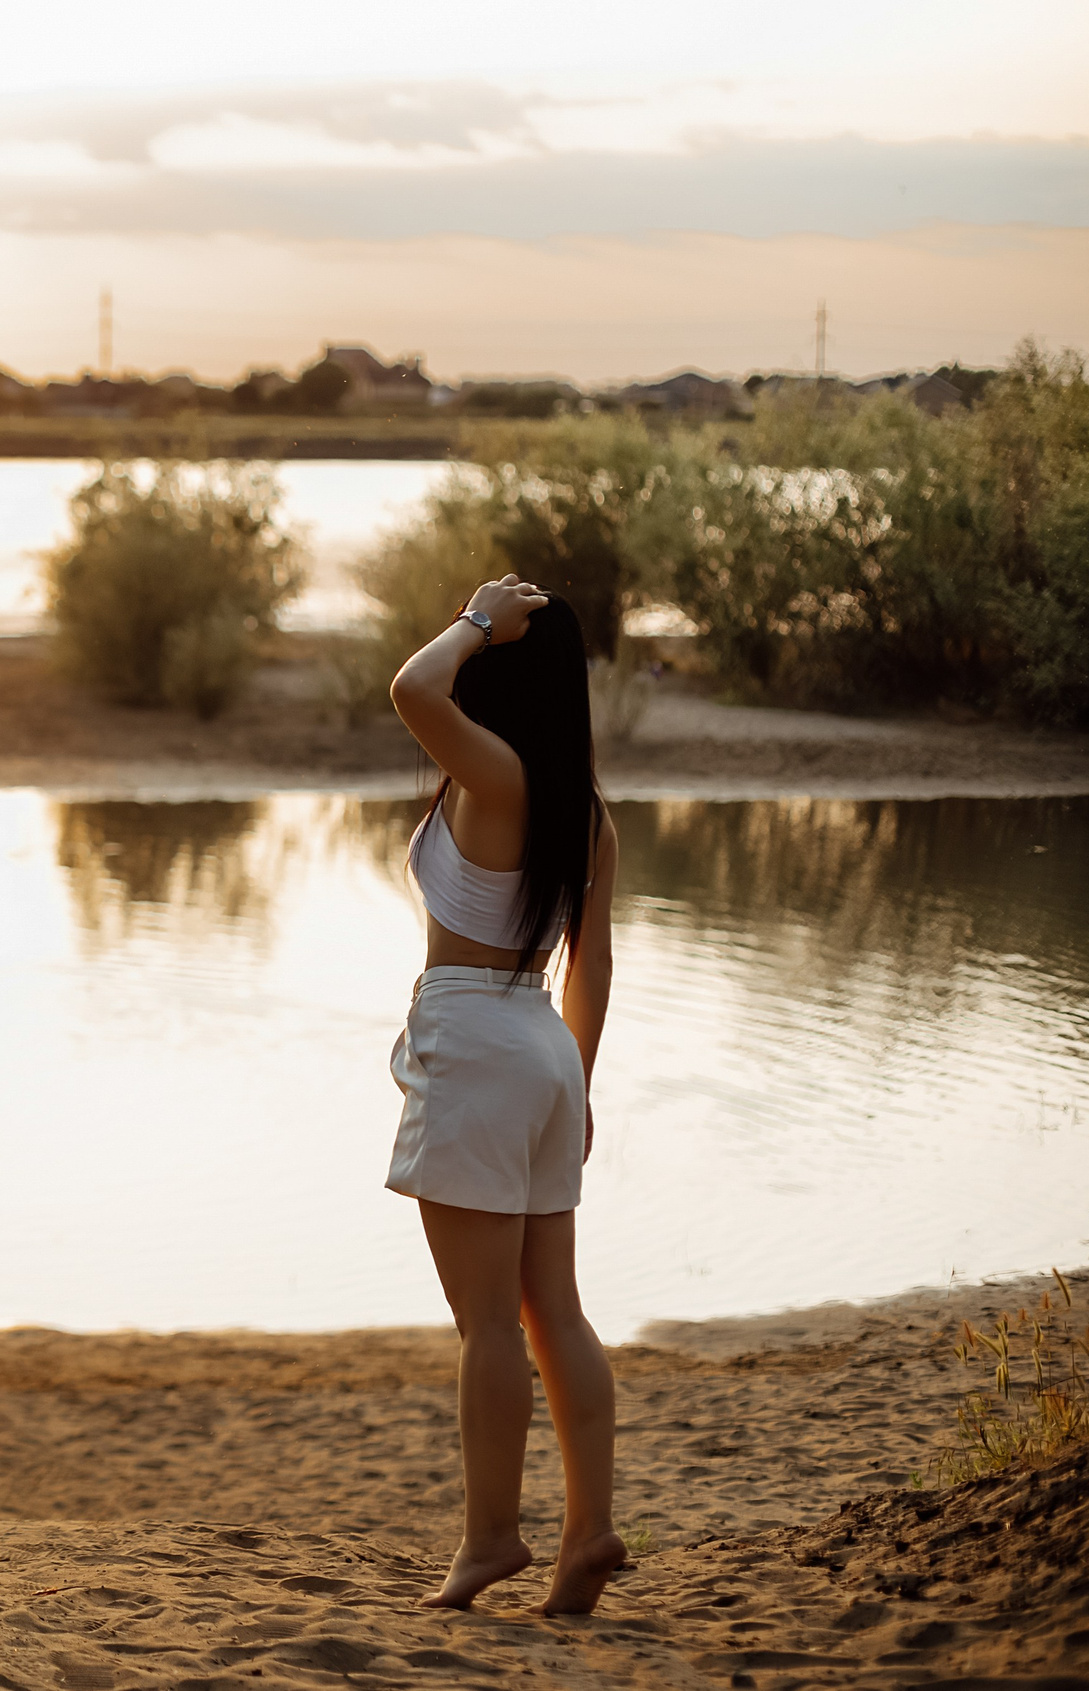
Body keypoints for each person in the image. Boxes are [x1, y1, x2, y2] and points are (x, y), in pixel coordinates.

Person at [384, 574, 626, 1616]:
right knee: (553, 1308)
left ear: (502, 671)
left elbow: (410, 688)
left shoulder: (495, 775)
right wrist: (579, 1085)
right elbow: (592, 965)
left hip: (478, 1043)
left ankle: (490, 1537)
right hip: (543, 1048)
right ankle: (588, 1530)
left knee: (487, 1322)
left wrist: (476, 618)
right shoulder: (587, 814)